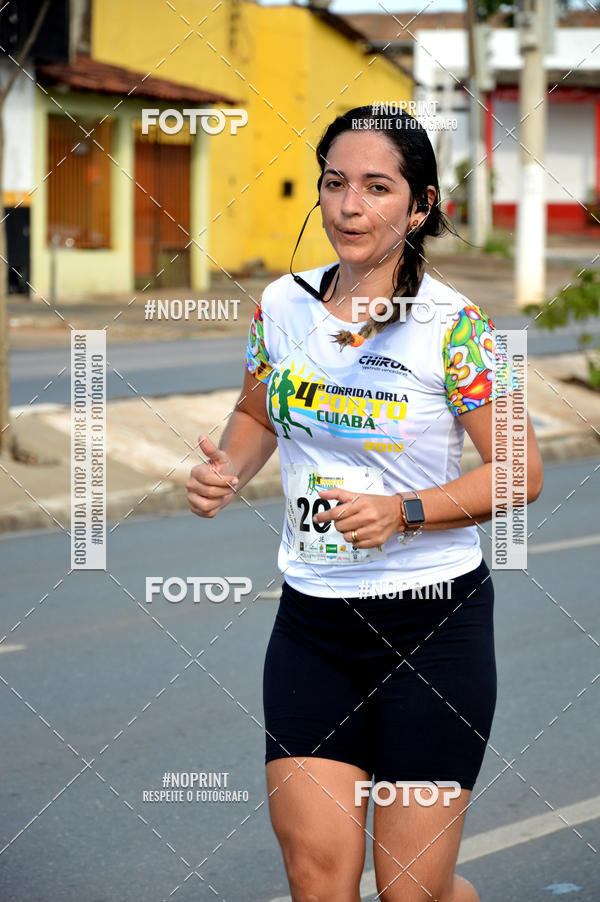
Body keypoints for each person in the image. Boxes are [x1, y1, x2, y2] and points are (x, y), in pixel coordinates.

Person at [187, 104, 544, 902]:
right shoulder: (284, 307)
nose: (349, 206)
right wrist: (227, 473)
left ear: (418, 206)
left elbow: (520, 471)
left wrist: (405, 512)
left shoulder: (455, 328)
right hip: (315, 624)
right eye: (335, 183)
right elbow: (255, 413)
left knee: (412, 889)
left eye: (377, 187)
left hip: (432, 627)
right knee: (317, 879)